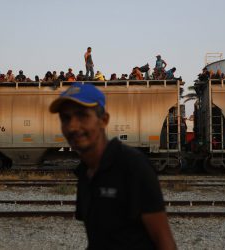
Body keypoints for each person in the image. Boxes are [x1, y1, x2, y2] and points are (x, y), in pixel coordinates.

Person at [49, 83, 177, 250]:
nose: (72, 126)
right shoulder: (84, 173)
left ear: (104, 120)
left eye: (82, 116)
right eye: (65, 118)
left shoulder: (133, 165)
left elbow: (164, 242)